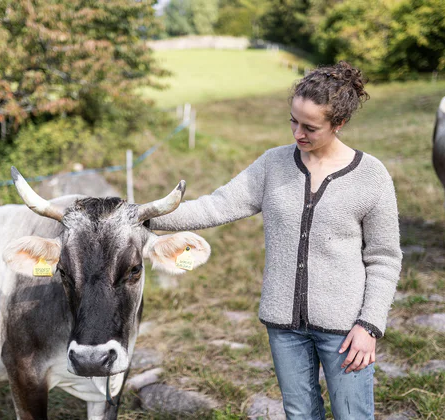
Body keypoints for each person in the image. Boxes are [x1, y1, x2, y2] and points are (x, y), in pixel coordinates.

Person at [149, 61, 402, 419]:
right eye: (293, 121)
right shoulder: (273, 164)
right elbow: (216, 206)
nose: (298, 134)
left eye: (310, 127)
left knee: (353, 415)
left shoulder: (371, 176)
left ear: (339, 124)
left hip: (347, 331)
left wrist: (369, 325)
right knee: (299, 414)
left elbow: (385, 258)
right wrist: (140, 214)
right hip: (284, 327)